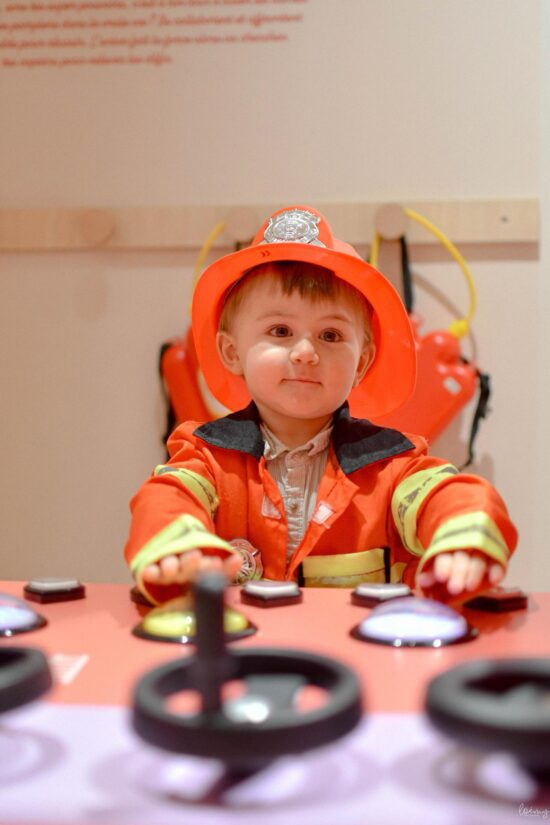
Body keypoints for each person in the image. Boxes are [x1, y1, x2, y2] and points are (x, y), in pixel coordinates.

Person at [124, 205, 517, 606]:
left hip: (362, 662)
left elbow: (450, 496)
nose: (306, 352)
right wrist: (178, 549)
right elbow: (167, 497)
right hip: (241, 656)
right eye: (280, 331)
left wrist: (462, 541)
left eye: (330, 335)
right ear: (231, 351)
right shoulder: (206, 458)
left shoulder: (394, 469)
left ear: (361, 362)